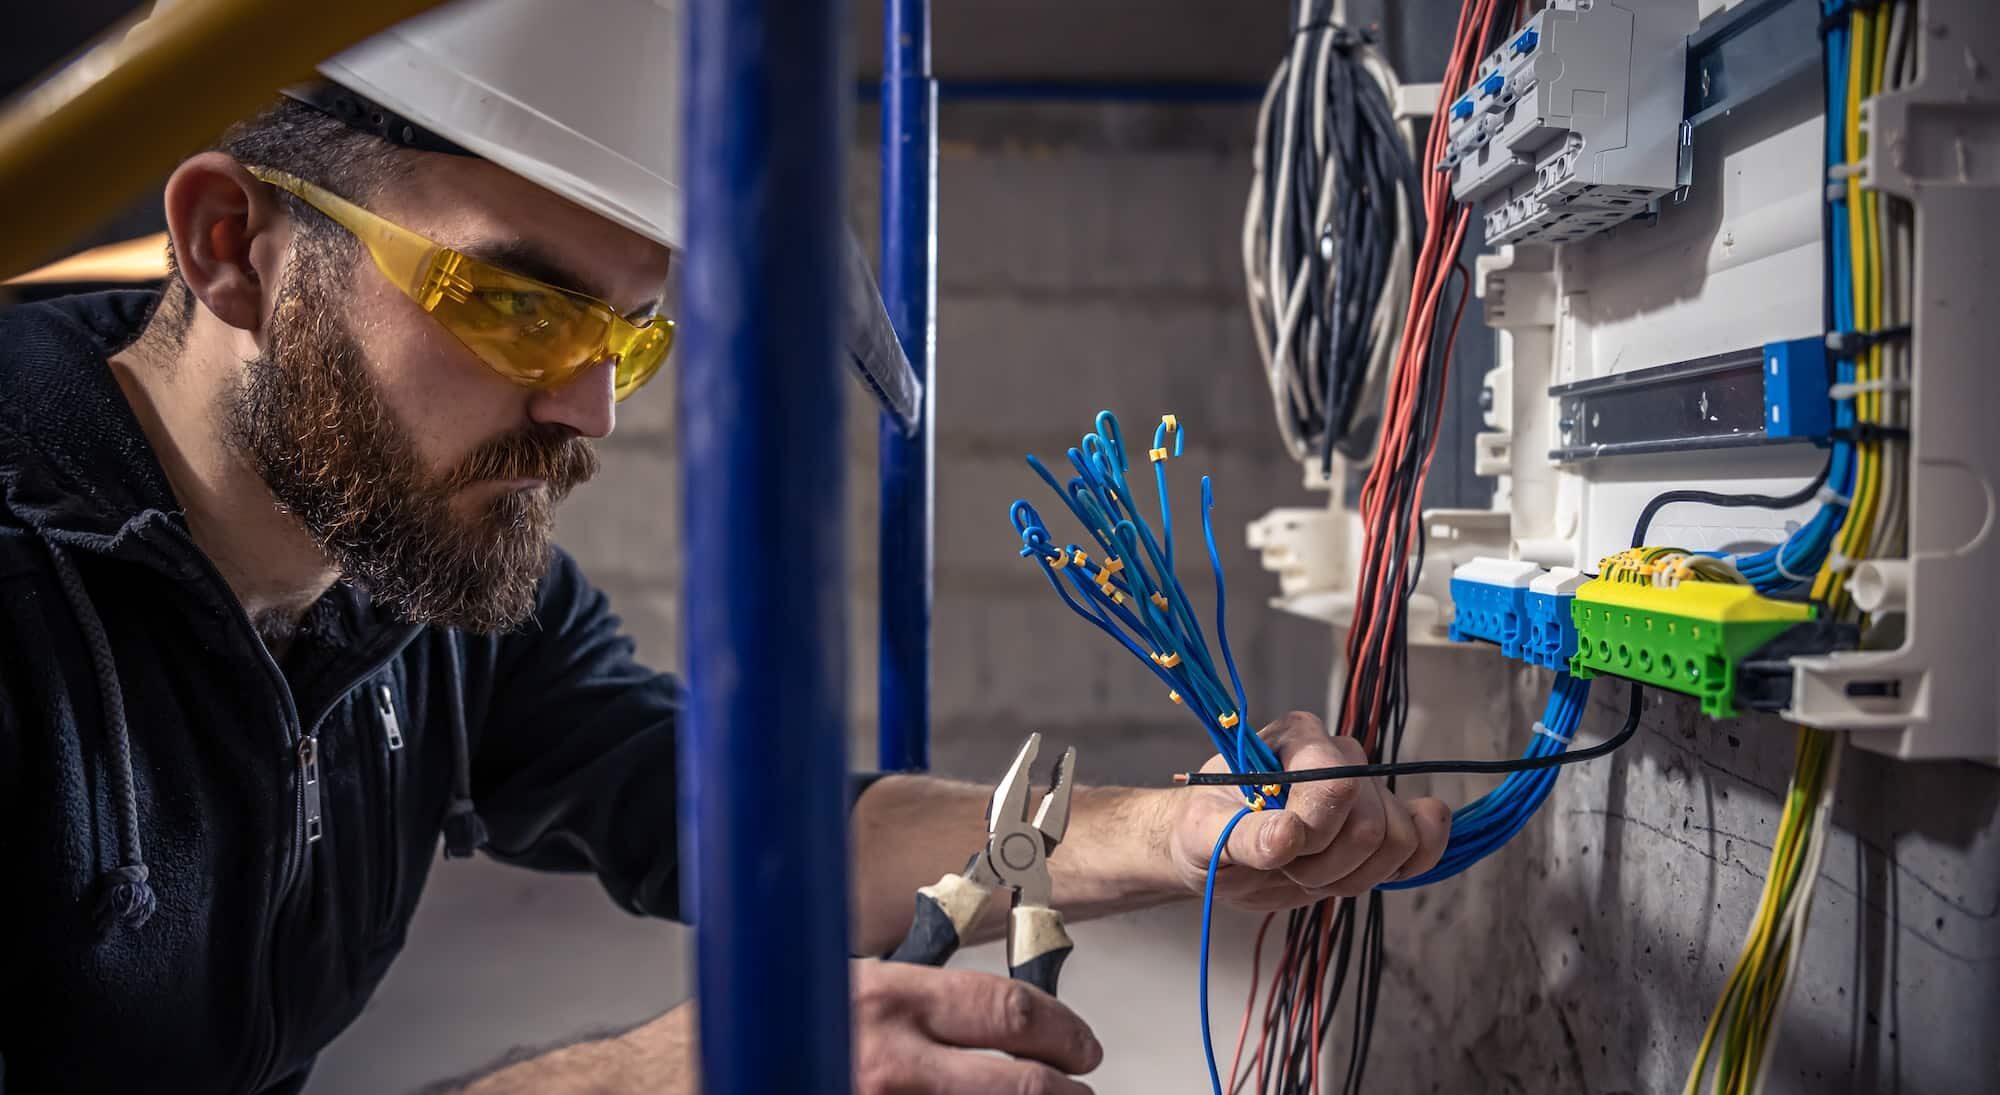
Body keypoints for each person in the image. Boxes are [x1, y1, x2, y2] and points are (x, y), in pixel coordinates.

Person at [0, 2, 1451, 1092]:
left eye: (637, 331)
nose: (592, 407)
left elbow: (731, 819)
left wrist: (1178, 835)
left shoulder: (420, 589)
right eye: (516, 305)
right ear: (229, 244)